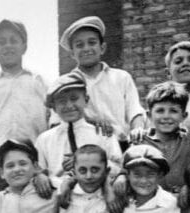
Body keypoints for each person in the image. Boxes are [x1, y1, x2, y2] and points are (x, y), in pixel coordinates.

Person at [0, 19, 49, 194]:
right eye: (1, 42)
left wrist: (44, 165)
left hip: (34, 159)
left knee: (38, 211)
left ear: (24, 47)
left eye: (14, 40)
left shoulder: (39, 82)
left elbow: (54, 122)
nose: (8, 46)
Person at [59, 15, 146, 144]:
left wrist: (138, 129)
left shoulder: (121, 77)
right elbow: (59, 120)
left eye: (92, 43)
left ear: (102, 48)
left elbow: (134, 109)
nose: (86, 48)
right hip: (84, 149)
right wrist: (91, 122)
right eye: (79, 45)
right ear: (72, 53)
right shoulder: (66, 84)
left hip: (121, 145)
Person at [33, 71, 124, 193]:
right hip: (58, 198)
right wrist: (39, 176)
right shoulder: (44, 139)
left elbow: (117, 167)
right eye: (62, 101)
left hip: (97, 197)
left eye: (74, 99)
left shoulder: (101, 133)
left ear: (85, 100)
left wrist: (89, 162)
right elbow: (38, 170)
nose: (69, 106)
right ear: (54, 107)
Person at [139, 82, 190, 193]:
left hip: (184, 202)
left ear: (183, 116)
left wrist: (188, 187)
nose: (166, 116)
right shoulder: (140, 142)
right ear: (149, 115)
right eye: (160, 111)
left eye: (173, 111)